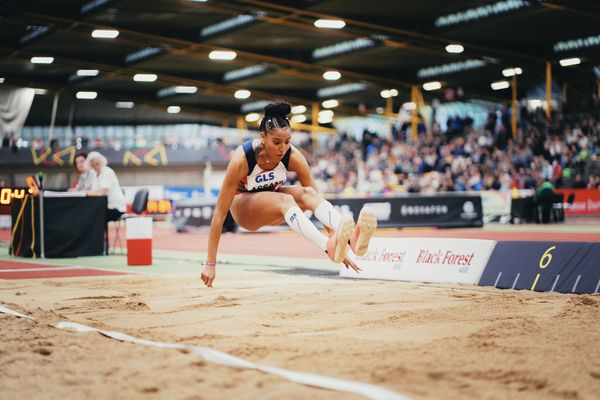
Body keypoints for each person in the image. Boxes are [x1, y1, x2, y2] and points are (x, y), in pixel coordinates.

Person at [201, 101, 377, 288]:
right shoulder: (242, 160)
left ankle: (352, 240)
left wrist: (339, 242)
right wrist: (210, 263)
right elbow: (219, 214)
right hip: (245, 211)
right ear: (263, 137)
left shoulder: (293, 157)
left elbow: (315, 199)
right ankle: (327, 247)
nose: (282, 148)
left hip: (274, 205)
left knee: (307, 193)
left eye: (287, 142)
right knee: (286, 199)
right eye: (276, 142)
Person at [85, 151, 126, 222]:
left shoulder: (107, 171)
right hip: (103, 206)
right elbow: (94, 191)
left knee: (92, 214)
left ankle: (98, 233)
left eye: (97, 164)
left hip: (114, 207)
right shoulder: (94, 174)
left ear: (101, 162)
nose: (95, 166)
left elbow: (103, 191)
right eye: (93, 165)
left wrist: (88, 193)